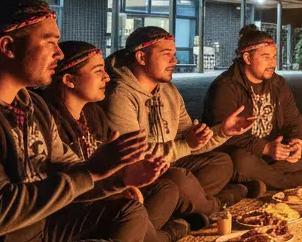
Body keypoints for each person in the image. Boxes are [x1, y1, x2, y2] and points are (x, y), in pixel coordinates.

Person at [0, 0, 180, 242]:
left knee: (129, 209)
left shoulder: (30, 105)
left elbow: (72, 170)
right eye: (50, 42)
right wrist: (93, 172)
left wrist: (122, 176)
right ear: (7, 46)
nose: (58, 53)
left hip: (39, 231)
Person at [42, 40, 192, 242]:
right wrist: (117, 187)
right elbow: (66, 185)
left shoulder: (94, 113)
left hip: (110, 192)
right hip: (77, 206)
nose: (107, 77)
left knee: (165, 187)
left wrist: (127, 182)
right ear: (69, 80)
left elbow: (116, 165)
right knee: (133, 213)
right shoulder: (50, 121)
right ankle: (162, 237)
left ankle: (140, 235)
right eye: (98, 71)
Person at [104, 27, 256, 217]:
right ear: (141, 58)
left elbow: (191, 143)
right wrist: (186, 144)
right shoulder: (120, 95)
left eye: (174, 54)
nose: (174, 60)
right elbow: (135, 157)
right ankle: (213, 206)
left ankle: (185, 206)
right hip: (141, 176)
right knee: (178, 180)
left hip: (172, 166)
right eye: (166, 54)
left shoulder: (169, 91)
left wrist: (222, 131)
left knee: (221, 162)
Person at [202, 25, 302, 192]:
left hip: (274, 154)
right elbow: (225, 135)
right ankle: (283, 181)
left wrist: (297, 141)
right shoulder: (226, 87)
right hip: (245, 153)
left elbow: (293, 118)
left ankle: (260, 180)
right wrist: (266, 148)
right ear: (247, 58)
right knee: (240, 162)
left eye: (274, 57)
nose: (272, 63)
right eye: (265, 57)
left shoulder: (278, 83)